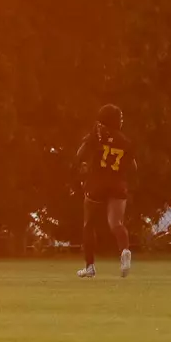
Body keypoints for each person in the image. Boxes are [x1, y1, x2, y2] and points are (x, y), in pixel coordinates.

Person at [75, 104, 136, 278]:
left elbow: (80, 154)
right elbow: (133, 166)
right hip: (117, 183)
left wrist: (83, 166)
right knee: (116, 223)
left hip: (97, 182)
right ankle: (124, 251)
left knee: (89, 224)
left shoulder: (97, 136)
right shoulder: (125, 141)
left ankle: (90, 267)